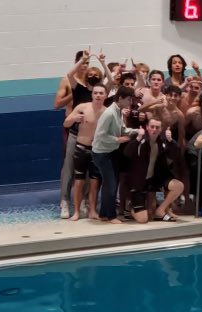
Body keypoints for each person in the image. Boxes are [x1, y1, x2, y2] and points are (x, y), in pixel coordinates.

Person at [92, 87, 139, 223]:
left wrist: (135, 131)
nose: (130, 102)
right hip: (101, 153)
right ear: (120, 98)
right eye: (129, 99)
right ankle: (111, 215)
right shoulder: (109, 113)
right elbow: (100, 135)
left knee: (110, 184)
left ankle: (103, 214)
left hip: (110, 151)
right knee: (111, 184)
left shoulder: (118, 111)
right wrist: (117, 140)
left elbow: (122, 129)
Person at [124, 117, 184, 223]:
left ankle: (160, 210)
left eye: (157, 127)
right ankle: (132, 207)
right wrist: (138, 138)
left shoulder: (163, 142)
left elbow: (176, 156)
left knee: (178, 186)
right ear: (147, 127)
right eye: (152, 127)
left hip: (153, 180)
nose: (154, 129)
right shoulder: (140, 139)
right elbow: (127, 153)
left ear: (161, 129)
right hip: (138, 182)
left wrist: (171, 141)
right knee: (143, 219)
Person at [61, 83, 106, 220]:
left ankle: (92, 210)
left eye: (101, 93)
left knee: (94, 182)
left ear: (105, 96)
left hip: (97, 150)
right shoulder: (82, 108)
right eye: (96, 93)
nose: (98, 95)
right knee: (79, 182)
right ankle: (76, 212)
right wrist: (74, 118)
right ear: (92, 95)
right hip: (81, 147)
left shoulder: (107, 112)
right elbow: (66, 123)